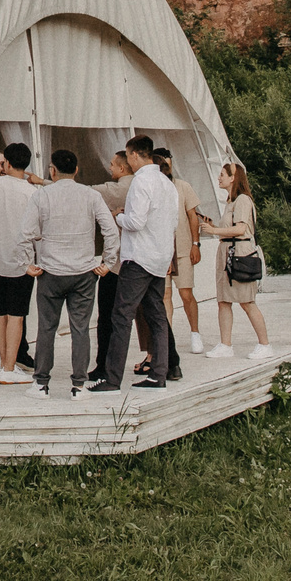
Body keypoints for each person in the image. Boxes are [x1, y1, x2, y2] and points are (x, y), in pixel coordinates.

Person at [18, 149, 118, 398]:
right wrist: (108, 261)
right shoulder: (91, 195)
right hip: (84, 272)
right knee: (81, 329)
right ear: (76, 169)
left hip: (50, 271)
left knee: (46, 329)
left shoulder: (42, 195)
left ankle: (41, 383)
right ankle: (79, 385)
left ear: (52, 170)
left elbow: (25, 233)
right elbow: (110, 230)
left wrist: (26, 263)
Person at [89, 135, 177, 392]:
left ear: (136, 155)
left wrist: (119, 217)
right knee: (157, 317)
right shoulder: (166, 182)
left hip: (138, 258)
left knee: (121, 316)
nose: (126, 161)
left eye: (127, 156)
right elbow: (173, 223)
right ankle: (159, 374)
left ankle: (112, 378)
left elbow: (136, 222)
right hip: (159, 258)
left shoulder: (141, 182)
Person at [0, 144, 42, 384]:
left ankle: (6, 364)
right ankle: (9, 368)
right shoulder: (32, 192)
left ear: (6, 164)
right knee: (16, 315)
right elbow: (37, 230)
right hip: (20, 260)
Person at [207, 160, 270, 355]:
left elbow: (241, 228)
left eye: (223, 175)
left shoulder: (243, 200)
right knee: (224, 300)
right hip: (227, 252)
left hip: (239, 253)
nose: (219, 178)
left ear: (233, 178)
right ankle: (225, 345)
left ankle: (264, 344)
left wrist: (215, 230)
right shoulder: (230, 201)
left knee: (247, 301)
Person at [89, 148, 133, 384]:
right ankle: (169, 362)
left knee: (106, 316)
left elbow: (82, 192)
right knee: (153, 314)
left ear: (122, 167)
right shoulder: (143, 186)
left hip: (116, 263)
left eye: (113, 165)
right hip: (141, 261)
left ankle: (104, 367)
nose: (110, 167)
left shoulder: (116, 190)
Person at [158, 146, 205, 361]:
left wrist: (196, 243)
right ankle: (167, 339)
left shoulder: (183, 187)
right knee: (165, 296)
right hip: (161, 251)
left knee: (186, 294)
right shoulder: (154, 187)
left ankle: (195, 333)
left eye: (169, 159)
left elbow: (193, 216)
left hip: (183, 249)